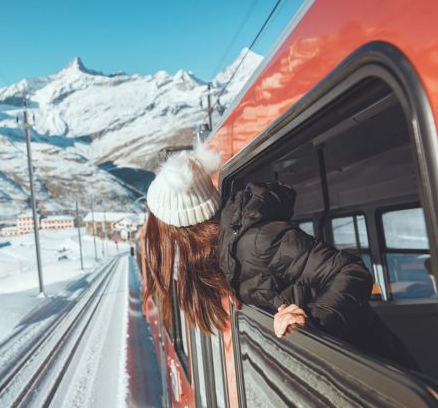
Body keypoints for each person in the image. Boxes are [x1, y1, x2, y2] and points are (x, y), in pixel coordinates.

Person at [142, 146, 419, 370]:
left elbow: (351, 271)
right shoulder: (228, 252)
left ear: (183, 232)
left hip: (378, 368)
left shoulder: (256, 242)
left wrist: (309, 320)